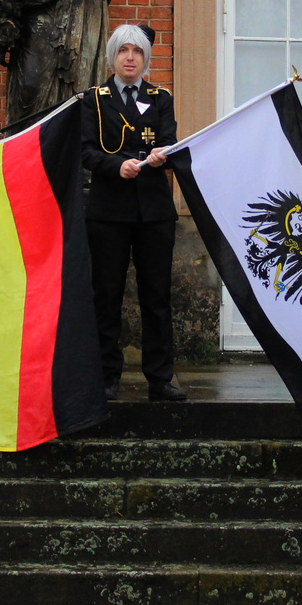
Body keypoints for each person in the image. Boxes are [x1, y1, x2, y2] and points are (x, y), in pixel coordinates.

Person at [82, 24, 183, 402]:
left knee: (156, 297)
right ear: (112, 57)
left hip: (154, 212)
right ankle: (107, 375)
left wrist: (164, 154)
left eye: (137, 52)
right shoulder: (94, 99)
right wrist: (115, 166)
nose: (130, 58)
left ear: (145, 59)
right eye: (123, 51)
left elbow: (171, 141)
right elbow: (86, 150)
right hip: (108, 211)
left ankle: (160, 377)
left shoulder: (161, 98)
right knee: (106, 295)